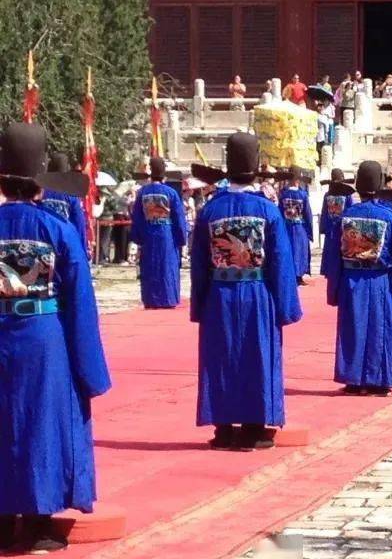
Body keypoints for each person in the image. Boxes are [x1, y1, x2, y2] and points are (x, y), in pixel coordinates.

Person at [0, 122, 110, 555]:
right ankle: (41, 521)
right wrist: (89, 370)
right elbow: (80, 302)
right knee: (41, 423)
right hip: (44, 334)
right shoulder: (58, 231)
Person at [189, 133, 302, 451]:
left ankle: (224, 427)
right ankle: (254, 426)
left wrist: (199, 304)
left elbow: (198, 264)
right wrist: (285, 306)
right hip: (257, 291)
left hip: (220, 292)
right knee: (257, 355)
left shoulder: (210, 211)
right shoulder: (267, 211)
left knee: (221, 356)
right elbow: (280, 262)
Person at [324, 161, 392, 395]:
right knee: (378, 329)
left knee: (353, 328)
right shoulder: (389, 217)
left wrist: (333, 288)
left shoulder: (345, 217)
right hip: (379, 281)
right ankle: (378, 378)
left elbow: (333, 256)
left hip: (351, 279)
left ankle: (353, 378)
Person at [130, 157, 188, 309]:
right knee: (167, 266)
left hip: (149, 231)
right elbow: (178, 216)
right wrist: (182, 238)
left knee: (150, 266)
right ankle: (168, 298)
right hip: (167, 233)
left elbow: (137, 216)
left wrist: (137, 237)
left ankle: (151, 298)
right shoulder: (171, 193)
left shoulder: (142, 192)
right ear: (164, 174)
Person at [38, 153, 89, 255]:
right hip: (64, 243)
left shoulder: (39, 190)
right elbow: (79, 223)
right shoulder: (71, 194)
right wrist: (83, 250)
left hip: (41, 242)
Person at [278, 166, 313, 284]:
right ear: (298, 179)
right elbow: (307, 214)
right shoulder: (303, 195)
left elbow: (280, 211)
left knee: (289, 249)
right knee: (300, 251)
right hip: (299, 227)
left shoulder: (283, 194)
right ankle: (299, 276)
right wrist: (309, 231)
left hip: (286, 225)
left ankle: (289, 274)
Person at [319, 168, 353, 277]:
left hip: (330, 228)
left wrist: (323, 228)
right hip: (343, 227)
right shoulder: (346, 195)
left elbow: (324, 212)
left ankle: (330, 270)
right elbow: (350, 211)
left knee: (331, 250)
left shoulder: (327, 195)